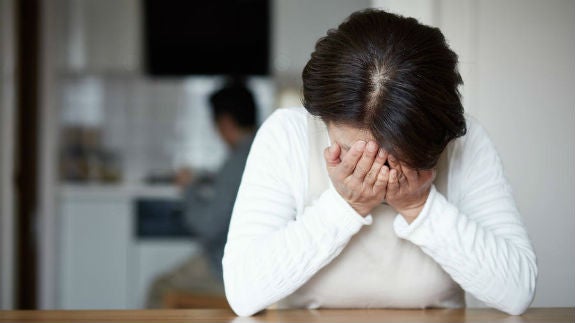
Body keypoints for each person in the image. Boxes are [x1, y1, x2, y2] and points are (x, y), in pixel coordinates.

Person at [222, 9, 537, 316]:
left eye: (392, 154)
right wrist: (346, 205)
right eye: (351, 150)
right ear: (323, 119)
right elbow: (243, 292)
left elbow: (517, 291)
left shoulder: (465, 143)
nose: (372, 167)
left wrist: (419, 206)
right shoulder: (287, 134)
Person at [146, 79, 258, 308]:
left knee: (159, 288)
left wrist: (189, 189)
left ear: (225, 123)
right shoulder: (263, 148)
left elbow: (207, 226)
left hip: (226, 269)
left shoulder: (236, 163)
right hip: (257, 266)